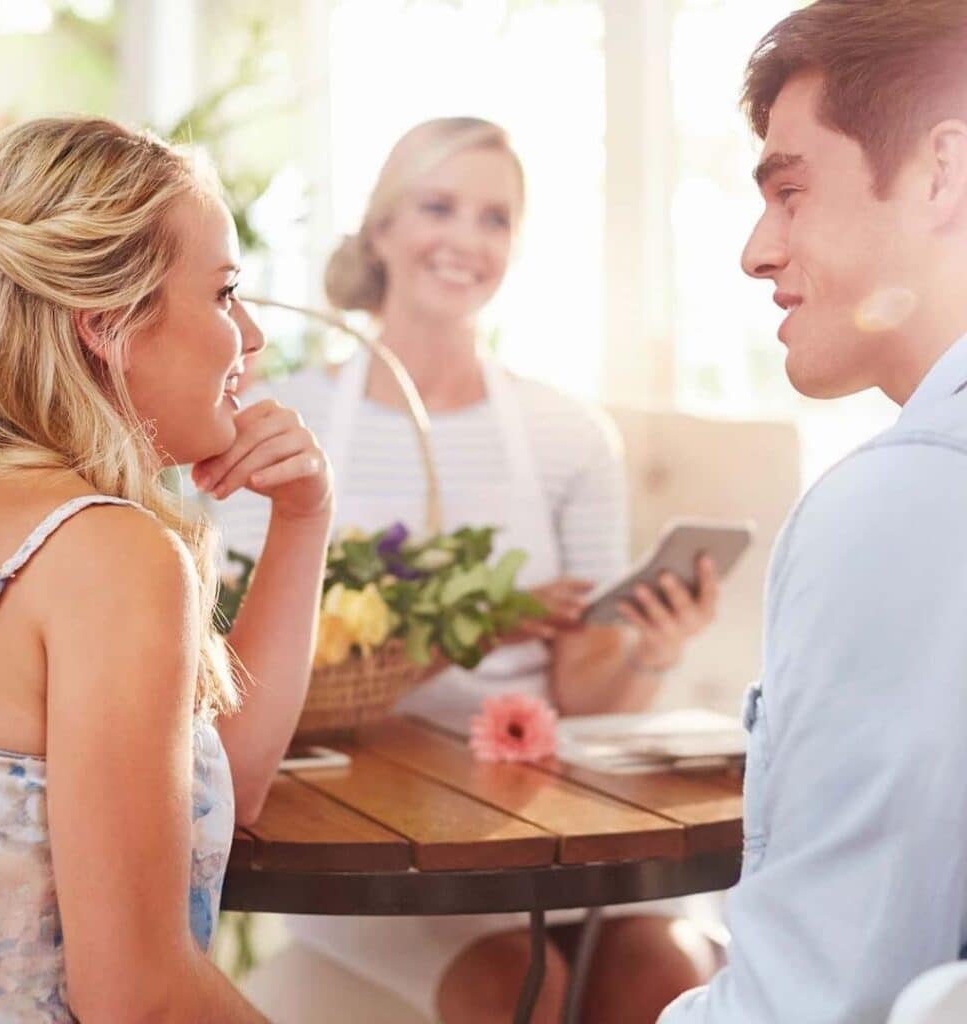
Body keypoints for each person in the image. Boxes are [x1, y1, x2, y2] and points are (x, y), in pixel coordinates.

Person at [216, 117, 721, 1024]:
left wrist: (647, 647)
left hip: (551, 815)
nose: (465, 238)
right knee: (519, 991)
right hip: (376, 836)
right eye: (437, 206)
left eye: (495, 218)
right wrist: (466, 629)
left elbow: (587, 695)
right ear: (381, 230)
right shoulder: (277, 419)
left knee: (666, 979)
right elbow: (242, 662)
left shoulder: (569, 435)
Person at [0, 116, 334, 1021]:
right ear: (108, 323)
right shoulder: (105, 553)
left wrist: (304, 523)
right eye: (226, 293)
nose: (253, 340)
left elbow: (201, 798)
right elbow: (141, 999)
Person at [659, 1, 967, 1021]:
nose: (755, 249)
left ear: (940, 173)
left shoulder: (905, 497)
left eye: (790, 191)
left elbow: (809, 1004)